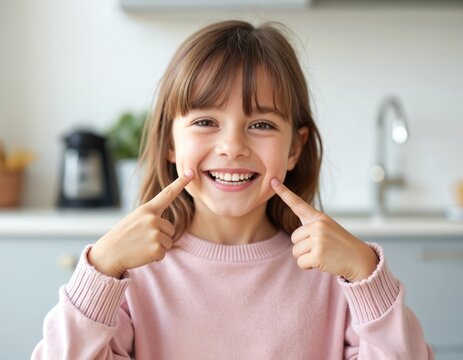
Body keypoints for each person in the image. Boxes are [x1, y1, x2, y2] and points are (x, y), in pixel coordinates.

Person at [32, 20, 433, 359]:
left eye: (261, 125)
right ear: (170, 142)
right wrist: (98, 271)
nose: (233, 146)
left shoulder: (337, 278)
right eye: (206, 122)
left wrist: (368, 276)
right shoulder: (126, 278)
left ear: (295, 147)